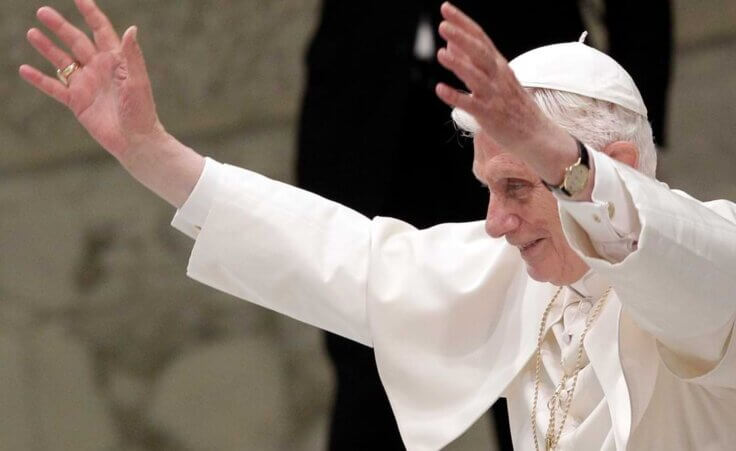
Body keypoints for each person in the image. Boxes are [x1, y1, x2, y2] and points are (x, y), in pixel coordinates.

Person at [19, 1, 734, 450]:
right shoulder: (510, 271)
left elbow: (682, 259)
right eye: (488, 187)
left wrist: (558, 155)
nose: (494, 222)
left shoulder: (710, 255)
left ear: (612, 164)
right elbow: (343, 258)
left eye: (517, 184)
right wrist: (153, 152)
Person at [297, 2, 672, 448]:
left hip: (531, 107)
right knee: (368, 360)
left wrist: (621, 150)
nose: (496, 223)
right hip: (367, 120)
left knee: (533, 347)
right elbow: (338, 254)